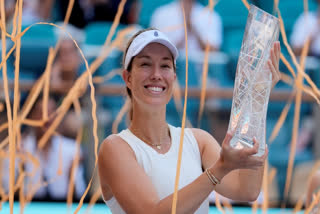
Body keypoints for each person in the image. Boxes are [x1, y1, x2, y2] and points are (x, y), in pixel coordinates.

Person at [97, 28, 281, 213]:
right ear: (127, 78)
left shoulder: (198, 141)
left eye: (165, 66)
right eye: (145, 64)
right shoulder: (115, 148)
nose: (156, 74)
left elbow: (246, 190)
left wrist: (258, 101)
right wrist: (218, 170)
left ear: (174, 77)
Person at [2, 96, 86, 201]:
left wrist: (71, 176)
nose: (47, 118)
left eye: (51, 113)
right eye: (40, 113)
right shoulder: (15, 151)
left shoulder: (72, 150)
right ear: (31, 116)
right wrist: (21, 173)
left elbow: (79, 196)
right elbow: (6, 196)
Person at [150, 0, 222, 53]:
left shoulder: (211, 16)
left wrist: (193, 29)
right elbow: (156, 50)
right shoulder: (161, 14)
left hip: (201, 70)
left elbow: (214, 52)